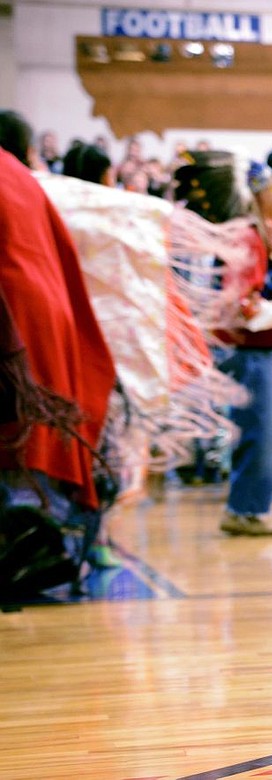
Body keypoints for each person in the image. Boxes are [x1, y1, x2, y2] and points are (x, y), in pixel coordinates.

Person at [0, 113, 117, 590]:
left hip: (14, 318)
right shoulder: (27, 179)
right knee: (40, 435)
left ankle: (34, 546)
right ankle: (56, 542)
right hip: (50, 316)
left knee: (18, 439)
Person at [172, 152, 272, 536]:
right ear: (257, 194)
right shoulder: (249, 236)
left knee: (266, 429)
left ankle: (248, 507)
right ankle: (245, 510)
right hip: (249, 350)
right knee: (264, 429)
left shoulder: (261, 233)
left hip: (259, 347)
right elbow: (240, 302)